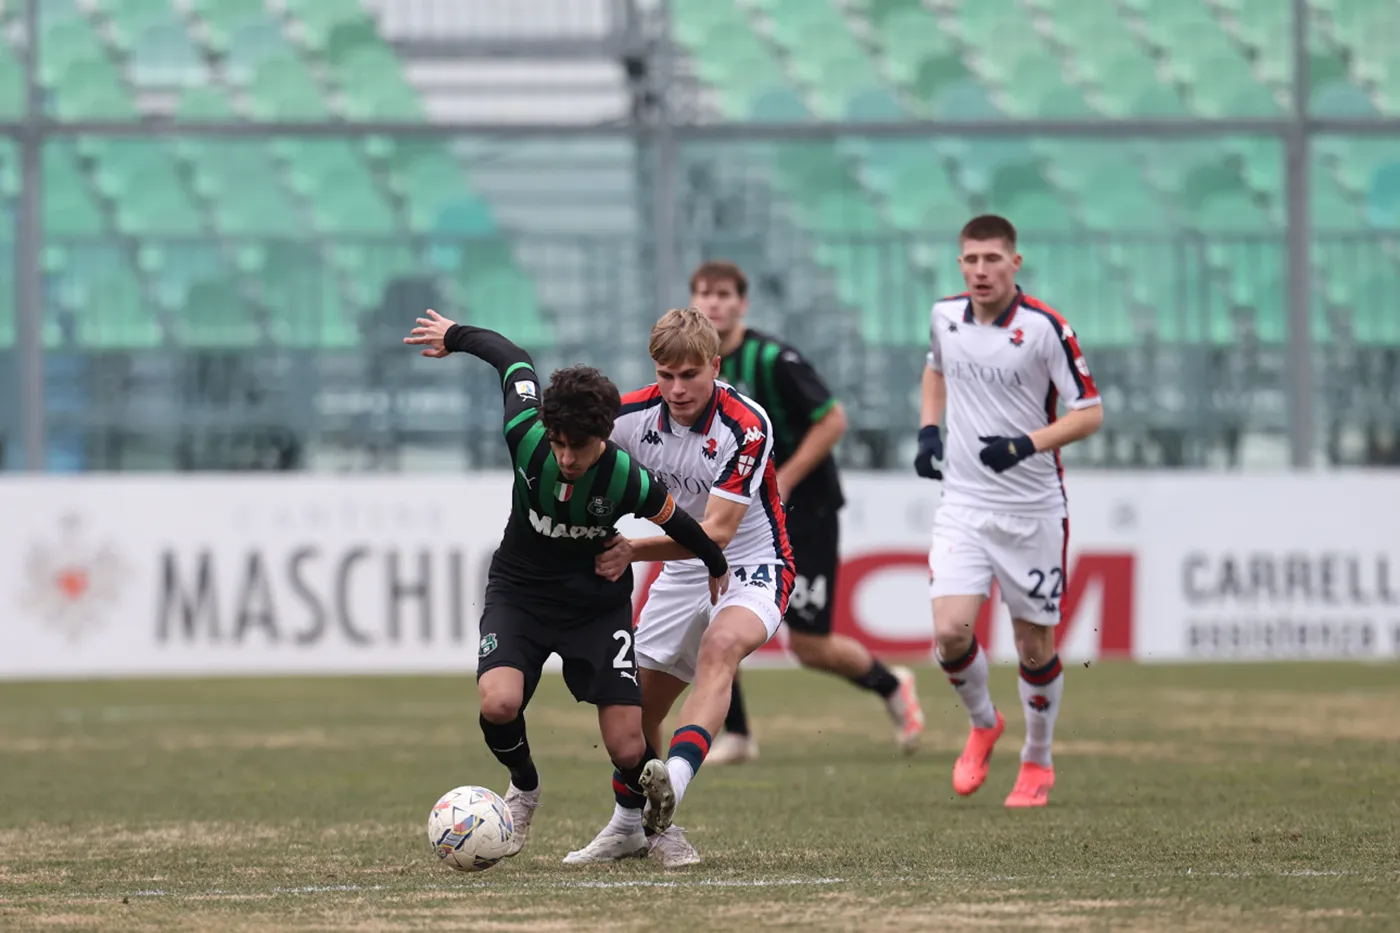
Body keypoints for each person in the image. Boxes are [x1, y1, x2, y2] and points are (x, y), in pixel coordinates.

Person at [403, 310, 730, 856]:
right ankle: (524, 791)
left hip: (594, 605)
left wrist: (715, 566)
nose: (566, 457)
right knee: (498, 703)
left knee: (629, 744)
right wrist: (456, 336)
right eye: (558, 444)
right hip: (520, 592)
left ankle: (660, 831)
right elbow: (513, 360)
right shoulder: (525, 435)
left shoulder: (630, 480)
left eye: (579, 446)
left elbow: (682, 525)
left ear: (605, 435)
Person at [564, 307, 794, 867]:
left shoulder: (747, 424)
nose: (677, 388)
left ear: (714, 367)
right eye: (666, 375)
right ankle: (629, 828)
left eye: (690, 374)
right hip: (684, 569)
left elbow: (715, 532)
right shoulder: (630, 417)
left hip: (751, 562)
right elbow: (570, 460)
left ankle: (673, 795)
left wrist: (633, 549)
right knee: (634, 712)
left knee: (720, 649)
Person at [687, 261, 925, 764]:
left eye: (724, 294)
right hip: (745, 512)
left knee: (810, 645)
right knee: (717, 614)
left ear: (742, 304)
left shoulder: (773, 358)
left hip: (804, 509)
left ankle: (890, 685)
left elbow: (833, 419)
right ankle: (738, 735)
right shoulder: (694, 369)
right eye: (703, 294)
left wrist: (787, 476)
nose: (713, 303)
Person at [915, 215, 1104, 808]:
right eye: (970, 259)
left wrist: (1026, 444)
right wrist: (927, 430)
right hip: (965, 502)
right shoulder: (945, 316)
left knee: (1034, 648)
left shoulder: (1046, 329)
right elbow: (935, 369)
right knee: (949, 632)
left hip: (1032, 509)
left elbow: (1090, 412)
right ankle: (982, 722)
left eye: (991, 259)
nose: (980, 270)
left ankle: (1038, 759)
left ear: (1014, 263)